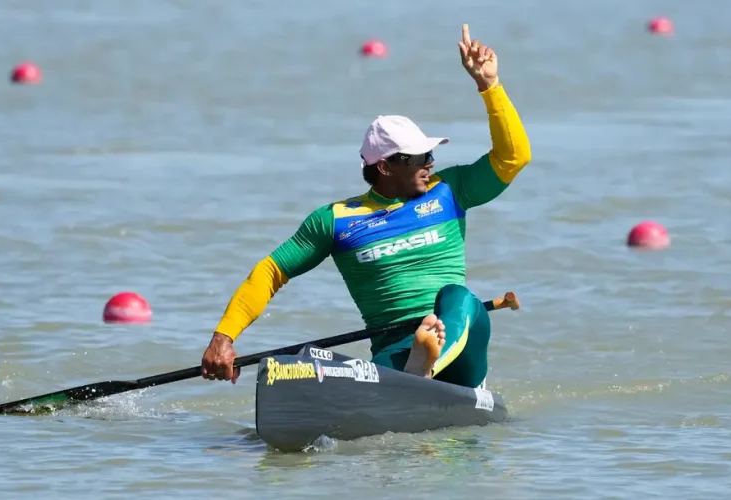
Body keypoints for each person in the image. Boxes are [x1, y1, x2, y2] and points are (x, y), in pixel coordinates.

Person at [201, 24, 531, 388]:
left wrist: (489, 85)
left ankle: (425, 367)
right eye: (419, 157)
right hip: (393, 352)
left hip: (460, 349)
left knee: (458, 298)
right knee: (311, 362)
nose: (430, 163)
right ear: (386, 166)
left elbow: (513, 157)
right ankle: (413, 369)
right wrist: (223, 338)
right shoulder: (336, 220)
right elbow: (270, 272)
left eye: (430, 154)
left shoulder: (450, 190)